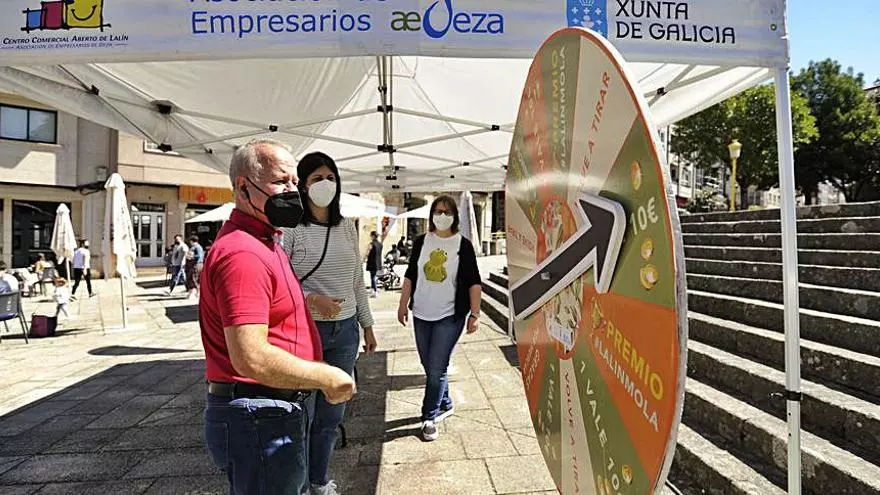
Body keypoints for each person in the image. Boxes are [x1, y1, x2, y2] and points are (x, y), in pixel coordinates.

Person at [200, 138, 355, 495]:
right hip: (259, 415)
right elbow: (250, 356)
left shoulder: (265, 240)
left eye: (294, 183)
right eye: (280, 181)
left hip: (270, 411)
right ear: (243, 187)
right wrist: (326, 375)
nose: (292, 191)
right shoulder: (243, 253)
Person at [283, 151, 378, 495]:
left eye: (330, 178)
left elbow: (356, 281)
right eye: (317, 178)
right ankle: (296, 483)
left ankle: (319, 481)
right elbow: (279, 281)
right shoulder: (292, 228)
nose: (325, 184)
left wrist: (367, 325)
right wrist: (312, 299)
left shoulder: (347, 227)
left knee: (331, 414)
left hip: (346, 331)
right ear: (303, 186)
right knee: (301, 412)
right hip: (307, 332)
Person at [397, 195, 482, 442]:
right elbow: (411, 274)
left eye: (447, 212)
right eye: (438, 211)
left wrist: (475, 314)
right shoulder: (421, 241)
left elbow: (474, 282)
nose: (442, 216)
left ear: (454, 216)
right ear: (431, 214)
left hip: (450, 315)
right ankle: (445, 402)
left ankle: (429, 417)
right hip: (421, 313)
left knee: (436, 368)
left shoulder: (462, 245)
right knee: (430, 366)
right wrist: (403, 304)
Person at [185, 236, 205, 300]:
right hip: (194, 264)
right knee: (192, 278)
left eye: (190, 241)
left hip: (196, 264)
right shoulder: (195, 247)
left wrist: (191, 256)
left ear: (191, 241)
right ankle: (195, 292)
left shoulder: (197, 247)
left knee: (194, 278)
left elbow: (199, 256)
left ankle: (196, 292)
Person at [365, 231, 382, 298]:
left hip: (372, 263)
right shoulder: (380, 244)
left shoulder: (372, 244)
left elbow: (368, 253)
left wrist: (364, 259)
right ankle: (373, 290)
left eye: (371, 236)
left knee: (373, 277)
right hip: (378, 263)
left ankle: (375, 291)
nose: (370, 237)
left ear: (373, 236)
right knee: (374, 276)